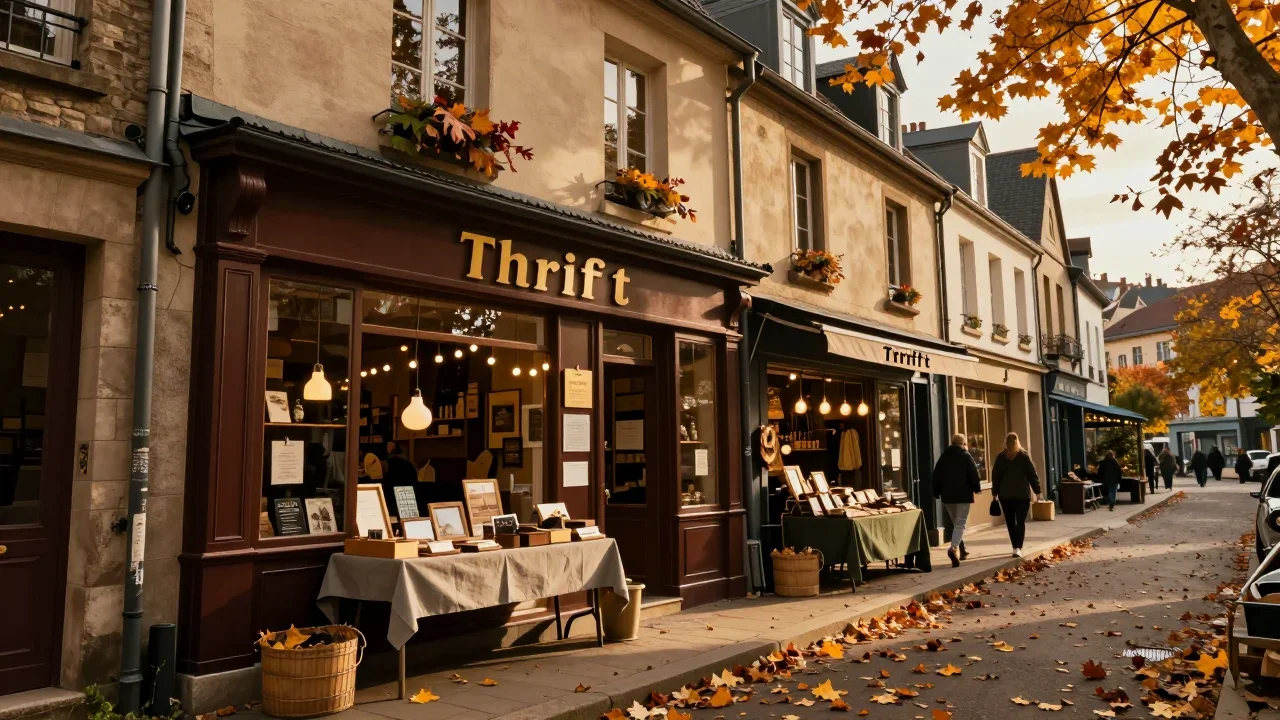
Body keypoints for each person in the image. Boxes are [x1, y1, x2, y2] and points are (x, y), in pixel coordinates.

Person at [931, 432, 982, 567]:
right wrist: (977, 489)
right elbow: (974, 474)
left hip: (947, 496)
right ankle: (953, 548)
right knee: (960, 523)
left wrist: (936, 492)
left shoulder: (944, 457)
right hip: (963, 495)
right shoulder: (966, 456)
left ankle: (962, 551)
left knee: (956, 523)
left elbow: (936, 475)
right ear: (963, 444)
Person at [992, 431, 1040, 558]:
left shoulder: (1001, 457)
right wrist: (1037, 491)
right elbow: (1032, 474)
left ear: (1005, 442)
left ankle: (1015, 546)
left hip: (1006, 495)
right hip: (1021, 495)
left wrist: (995, 493)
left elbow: (995, 477)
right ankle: (1018, 547)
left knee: (1011, 522)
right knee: (1020, 521)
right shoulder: (1023, 456)